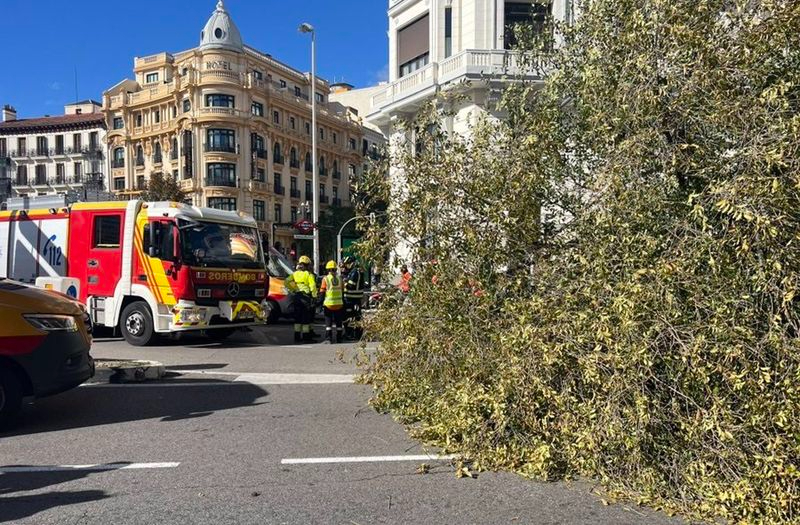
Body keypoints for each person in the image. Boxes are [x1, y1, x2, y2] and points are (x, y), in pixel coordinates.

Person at [285, 255, 318, 342]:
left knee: (297, 319)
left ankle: (297, 337)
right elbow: (313, 286)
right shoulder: (309, 274)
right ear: (307, 265)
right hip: (306, 298)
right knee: (305, 319)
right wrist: (314, 297)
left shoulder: (294, 274)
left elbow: (286, 282)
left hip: (297, 297)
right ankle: (306, 338)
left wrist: (294, 289)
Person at [319, 260, 344, 344]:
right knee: (339, 323)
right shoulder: (340, 279)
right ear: (336, 269)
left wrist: (319, 302)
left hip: (329, 304)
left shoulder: (325, 279)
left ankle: (328, 339)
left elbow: (322, 292)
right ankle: (339, 338)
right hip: (339, 304)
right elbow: (342, 291)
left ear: (328, 270)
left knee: (328, 323)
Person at [341, 256, 364, 340]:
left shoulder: (354, 272)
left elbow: (351, 285)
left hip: (352, 298)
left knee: (350, 317)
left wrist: (344, 281)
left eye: (347, 264)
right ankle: (353, 334)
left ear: (352, 263)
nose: (346, 266)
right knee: (354, 317)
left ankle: (352, 334)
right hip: (353, 298)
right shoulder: (354, 271)